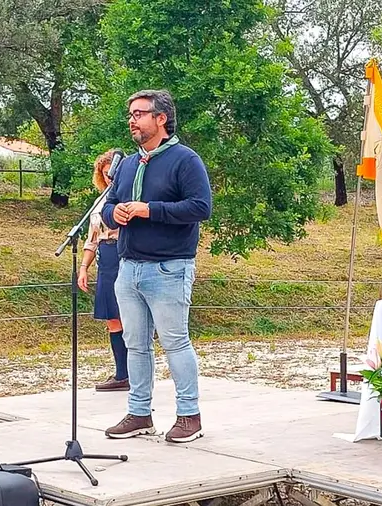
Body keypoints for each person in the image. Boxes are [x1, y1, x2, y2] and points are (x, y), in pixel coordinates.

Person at [101, 89, 212, 443]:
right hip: (128, 267)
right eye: (130, 114)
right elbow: (109, 204)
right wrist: (113, 213)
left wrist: (151, 210)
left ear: (160, 119)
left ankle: (188, 416)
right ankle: (139, 413)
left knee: (175, 342)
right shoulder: (128, 164)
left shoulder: (185, 160)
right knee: (136, 345)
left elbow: (200, 207)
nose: (132, 120)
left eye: (139, 113)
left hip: (168, 268)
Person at [78, 150, 128, 392]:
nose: (109, 177)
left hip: (126, 253)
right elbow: (92, 239)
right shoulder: (99, 202)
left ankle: (137, 372)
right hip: (106, 257)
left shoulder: (129, 195)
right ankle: (121, 373)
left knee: (131, 315)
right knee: (112, 316)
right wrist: (84, 267)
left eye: (113, 172)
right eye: (105, 173)